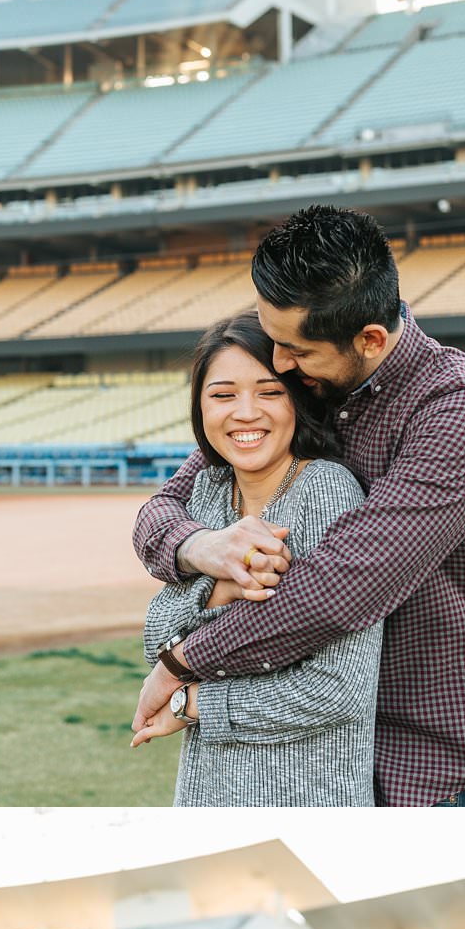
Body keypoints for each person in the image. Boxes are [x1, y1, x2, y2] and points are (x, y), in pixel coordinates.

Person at [128, 204, 465, 808]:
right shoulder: (313, 383)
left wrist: (181, 665)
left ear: (370, 340)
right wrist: (201, 548)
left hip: (425, 766)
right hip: (302, 764)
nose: (280, 364)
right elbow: (165, 507)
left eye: (296, 351)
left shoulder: (460, 410)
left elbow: (341, 588)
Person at [131, 312, 381, 805]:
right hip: (205, 798)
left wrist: (195, 702)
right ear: (200, 408)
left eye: (269, 392)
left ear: (298, 401)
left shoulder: (326, 491)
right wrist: (218, 586)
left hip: (308, 803)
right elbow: (156, 636)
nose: (245, 413)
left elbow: (338, 689)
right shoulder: (209, 489)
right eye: (223, 395)